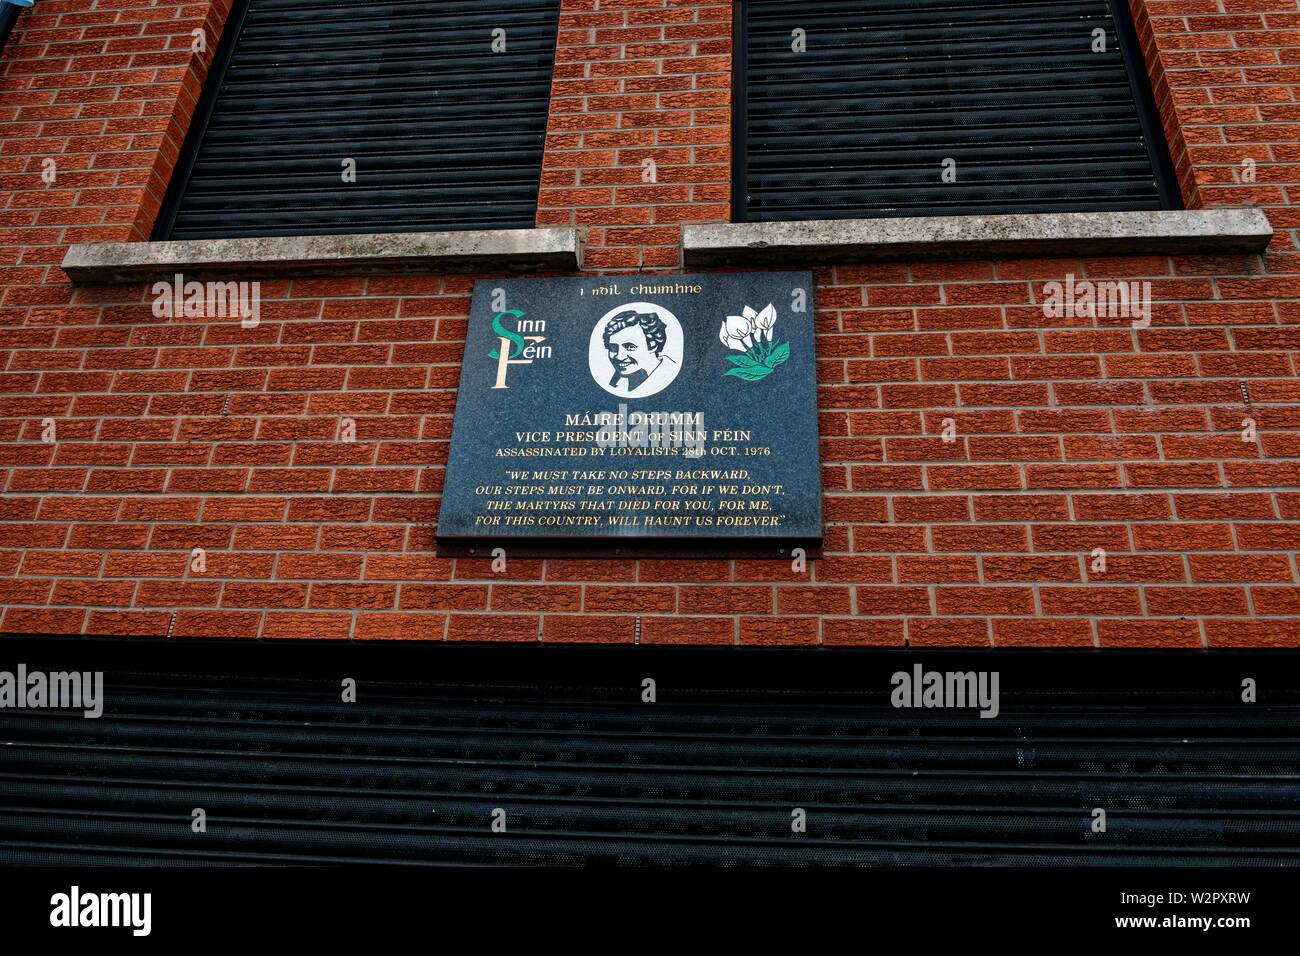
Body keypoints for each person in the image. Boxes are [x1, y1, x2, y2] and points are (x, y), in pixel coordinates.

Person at [602, 309, 677, 397]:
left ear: (652, 346)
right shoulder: (614, 382)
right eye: (613, 347)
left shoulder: (672, 377)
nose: (619, 356)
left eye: (630, 347)